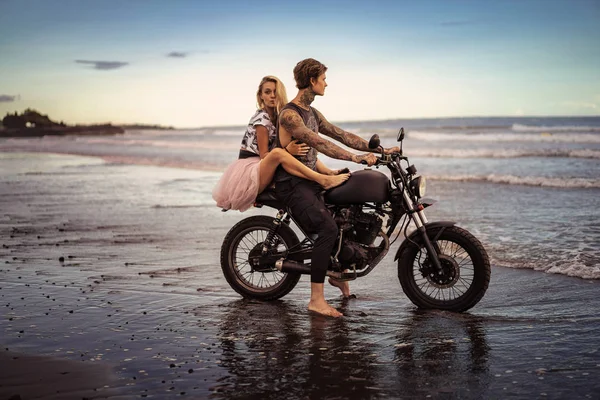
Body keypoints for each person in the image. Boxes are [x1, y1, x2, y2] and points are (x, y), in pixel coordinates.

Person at [273, 59, 400, 318]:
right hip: (292, 183)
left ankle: (338, 271)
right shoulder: (289, 114)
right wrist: (355, 159)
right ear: (312, 80)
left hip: (309, 180)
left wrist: (379, 151)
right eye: (323, 78)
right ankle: (316, 300)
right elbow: (318, 142)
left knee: (344, 217)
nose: (326, 83)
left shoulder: (312, 113)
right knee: (327, 229)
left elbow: (339, 135)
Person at [212, 76, 350, 212]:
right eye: (267, 92)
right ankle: (322, 179)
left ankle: (327, 172)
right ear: (260, 96)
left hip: (264, 166)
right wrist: (288, 150)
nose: (272, 96)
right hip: (251, 170)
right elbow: (265, 155)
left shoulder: (281, 116)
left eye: (275, 92)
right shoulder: (262, 120)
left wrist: (292, 148)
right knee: (279, 153)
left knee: (299, 145)